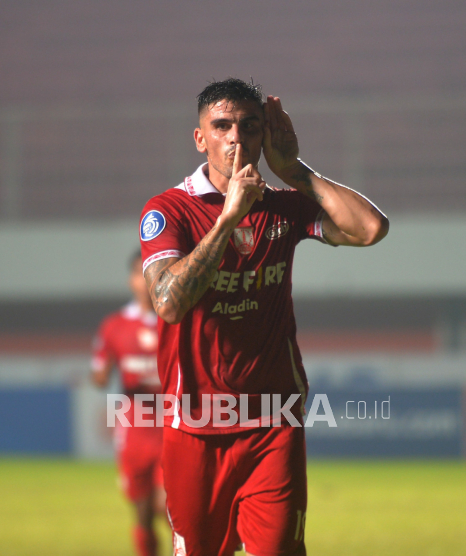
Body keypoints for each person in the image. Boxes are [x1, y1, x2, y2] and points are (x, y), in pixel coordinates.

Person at [139, 78, 388, 556]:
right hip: (195, 427)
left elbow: (371, 229)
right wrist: (228, 218)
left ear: (263, 135)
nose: (236, 137)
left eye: (249, 126)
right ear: (200, 138)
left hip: (273, 421)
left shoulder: (282, 206)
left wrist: (296, 171)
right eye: (222, 125)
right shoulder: (168, 210)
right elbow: (168, 303)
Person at [92, 251, 167, 556]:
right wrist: (103, 373)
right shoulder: (114, 326)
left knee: (170, 506)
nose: (145, 280)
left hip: (172, 425)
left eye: (152, 272)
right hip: (135, 428)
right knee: (143, 514)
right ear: (131, 279)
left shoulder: (176, 318)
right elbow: (99, 374)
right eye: (140, 273)